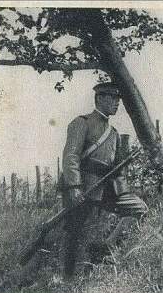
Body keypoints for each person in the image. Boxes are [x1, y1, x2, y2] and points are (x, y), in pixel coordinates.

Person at [60, 82, 148, 280]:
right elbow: (71, 157)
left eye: (118, 99)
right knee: (76, 231)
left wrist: (123, 188)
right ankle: (68, 278)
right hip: (83, 187)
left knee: (139, 209)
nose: (117, 103)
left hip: (107, 188)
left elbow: (117, 170)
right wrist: (74, 187)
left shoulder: (114, 134)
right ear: (99, 98)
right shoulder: (81, 123)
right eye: (112, 99)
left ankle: (107, 245)